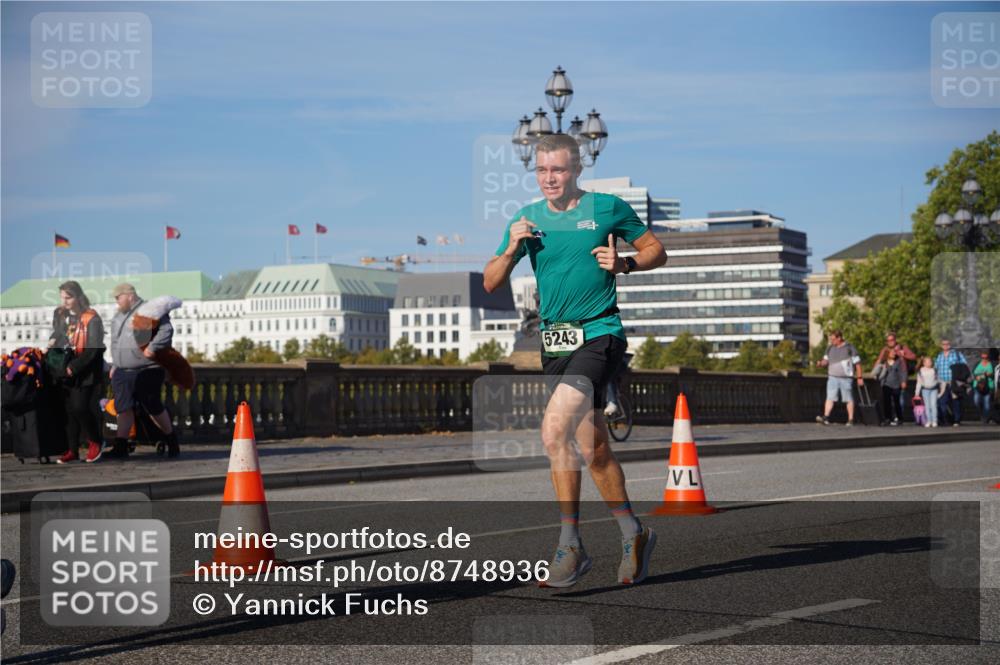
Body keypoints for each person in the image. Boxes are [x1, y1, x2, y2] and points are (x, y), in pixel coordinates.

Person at [483, 133, 667, 587]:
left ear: (577, 170)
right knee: (595, 450)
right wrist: (511, 249)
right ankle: (634, 532)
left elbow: (656, 251)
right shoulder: (525, 219)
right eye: (543, 170)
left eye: (559, 169)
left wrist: (624, 264)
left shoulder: (606, 208)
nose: (550, 178)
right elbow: (490, 283)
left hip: (599, 335)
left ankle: (570, 547)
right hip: (556, 345)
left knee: (552, 431)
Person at [109, 283, 179, 458]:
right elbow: (117, 342)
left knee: (152, 405)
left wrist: (153, 347)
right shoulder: (119, 316)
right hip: (123, 370)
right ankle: (121, 446)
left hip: (148, 367)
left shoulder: (151, 309)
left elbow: (166, 330)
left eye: (119, 298)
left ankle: (171, 439)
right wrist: (116, 364)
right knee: (123, 407)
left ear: (130, 295)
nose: (117, 302)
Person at [49, 281, 106, 463]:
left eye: (68, 297)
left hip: (85, 369)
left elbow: (94, 349)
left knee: (81, 407)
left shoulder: (92, 318)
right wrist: (52, 340)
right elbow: (58, 334)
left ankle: (96, 441)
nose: (64, 301)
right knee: (69, 411)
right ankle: (71, 450)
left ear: (78, 297)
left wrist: (74, 367)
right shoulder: (59, 315)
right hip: (64, 366)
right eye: (62, 297)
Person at [815, 330, 864, 426]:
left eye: (833, 339)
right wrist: (820, 364)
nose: (832, 341)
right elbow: (826, 361)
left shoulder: (849, 348)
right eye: (831, 339)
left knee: (848, 398)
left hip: (846, 378)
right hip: (832, 377)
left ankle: (850, 419)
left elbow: (857, 364)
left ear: (839, 338)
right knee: (830, 397)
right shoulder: (830, 348)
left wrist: (859, 377)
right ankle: (826, 417)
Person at [874, 331, 916, 416]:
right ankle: (889, 417)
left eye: (892, 340)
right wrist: (875, 372)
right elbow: (879, 360)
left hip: (900, 375)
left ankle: (899, 417)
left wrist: (903, 355)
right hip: (888, 376)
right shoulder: (885, 349)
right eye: (888, 340)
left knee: (899, 398)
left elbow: (913, 356)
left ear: (895, 339)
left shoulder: (902, 347)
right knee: (887, 399)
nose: (890, 342)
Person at [934, 339, 969, 427]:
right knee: (942, 402)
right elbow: (935, 368)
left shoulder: (957, 355)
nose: (945, 345)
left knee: (956, 402)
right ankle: (946, 419)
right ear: (941, 345)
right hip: (943, 383)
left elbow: (965, 366)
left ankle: (956, 420)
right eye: (943, 344)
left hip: (954, 382)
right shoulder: (939, 355)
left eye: (947, 344)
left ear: (950, 345)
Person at [875, 348, 906, 426]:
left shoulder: (898, 361)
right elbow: (876, 370)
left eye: (894, 352)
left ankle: (900, 418)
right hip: (886, 384)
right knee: (887, 402)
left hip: (896, 384)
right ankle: (887, 418)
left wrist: (903, 381)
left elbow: (902, 372)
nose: (894, 354)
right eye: (892, 353)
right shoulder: (884, 362)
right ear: (887, 354)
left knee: (897, 402)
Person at [915, 356, 943, 428]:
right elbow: (919, 383)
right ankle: (929, 421)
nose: (928, 363)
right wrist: (916, 393)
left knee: (933, 405)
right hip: (925, 390)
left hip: (934, 389)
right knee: (927, 406)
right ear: (923, 363)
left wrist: (941, 392)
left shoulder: (934, 370)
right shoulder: (920, 371)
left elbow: (940, 381)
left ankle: (934, 421)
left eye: (930, 362)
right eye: (927, 362)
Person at [972, 351, 995, 424]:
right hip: (977, 386)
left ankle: (985, 418)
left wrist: (990, 375)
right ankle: (982, 413)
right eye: (983, 358)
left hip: (988, 386)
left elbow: (995, 374)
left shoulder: (991, 364)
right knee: (976, 401)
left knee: (987, 404)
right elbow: (973, 373)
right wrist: (976, 377)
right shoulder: (977, 364)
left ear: (988, 358)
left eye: (986, 358)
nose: (984, 359)